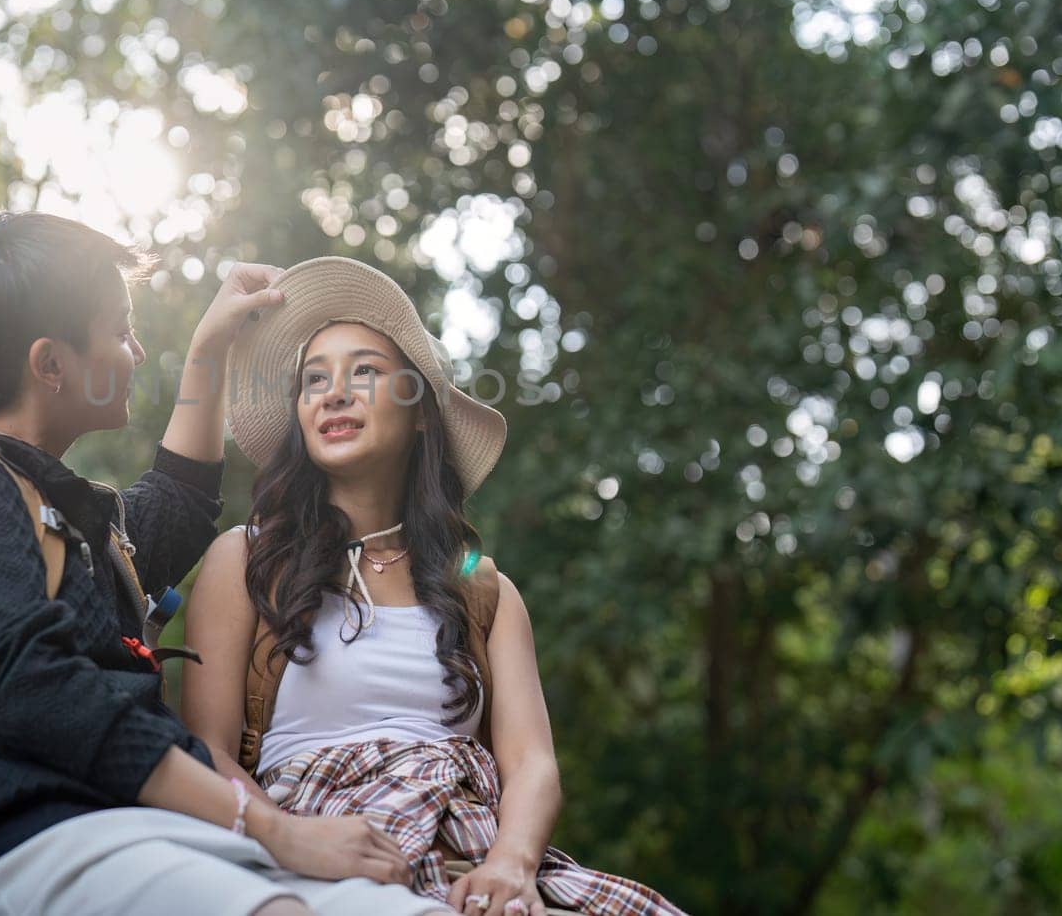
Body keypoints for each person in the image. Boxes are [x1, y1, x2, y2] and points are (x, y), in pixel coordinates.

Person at [0, 215, 453, 916]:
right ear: (50, 363)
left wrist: (212, 344)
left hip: (156, 835)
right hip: (33, 841)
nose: (136, 350)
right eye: (119, 330)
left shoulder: (60, 522)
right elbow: (35, 688)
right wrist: (273, 826)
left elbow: (179, 503)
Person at [181, 256, 685, 916]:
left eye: (364, 370)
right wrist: (289, 837)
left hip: (472, 856)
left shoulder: (481, 588)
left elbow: (532, 763)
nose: (335, 392)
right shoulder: (246, 559)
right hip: (312, 848)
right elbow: (205, 751)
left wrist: (511, 865)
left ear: (421, 413)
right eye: (313, 379)